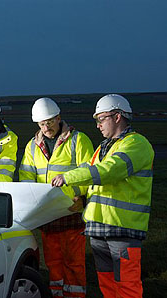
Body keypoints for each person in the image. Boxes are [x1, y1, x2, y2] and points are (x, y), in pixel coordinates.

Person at [51, 94, 154, 298]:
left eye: (101, 118)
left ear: (117, 117)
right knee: (107, 285)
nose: (97, 125)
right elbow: (90, 177)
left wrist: (67, 177)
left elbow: (108, 171)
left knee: (127, 286)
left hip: (122, 229)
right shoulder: (102, 147)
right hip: (99, 228)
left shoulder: (136, 144)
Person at [19, 97, 94, 298]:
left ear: (59, 118)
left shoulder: (79, 140)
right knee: (53, 262)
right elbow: (26, 176)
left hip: (72, 212)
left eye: (50, 121)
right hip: (48, 215)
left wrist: (82, 198)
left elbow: (90, 173)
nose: (46, 127)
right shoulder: (32, 147)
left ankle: (76, 295)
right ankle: (56, 294)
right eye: (42, 123)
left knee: (74, 262)